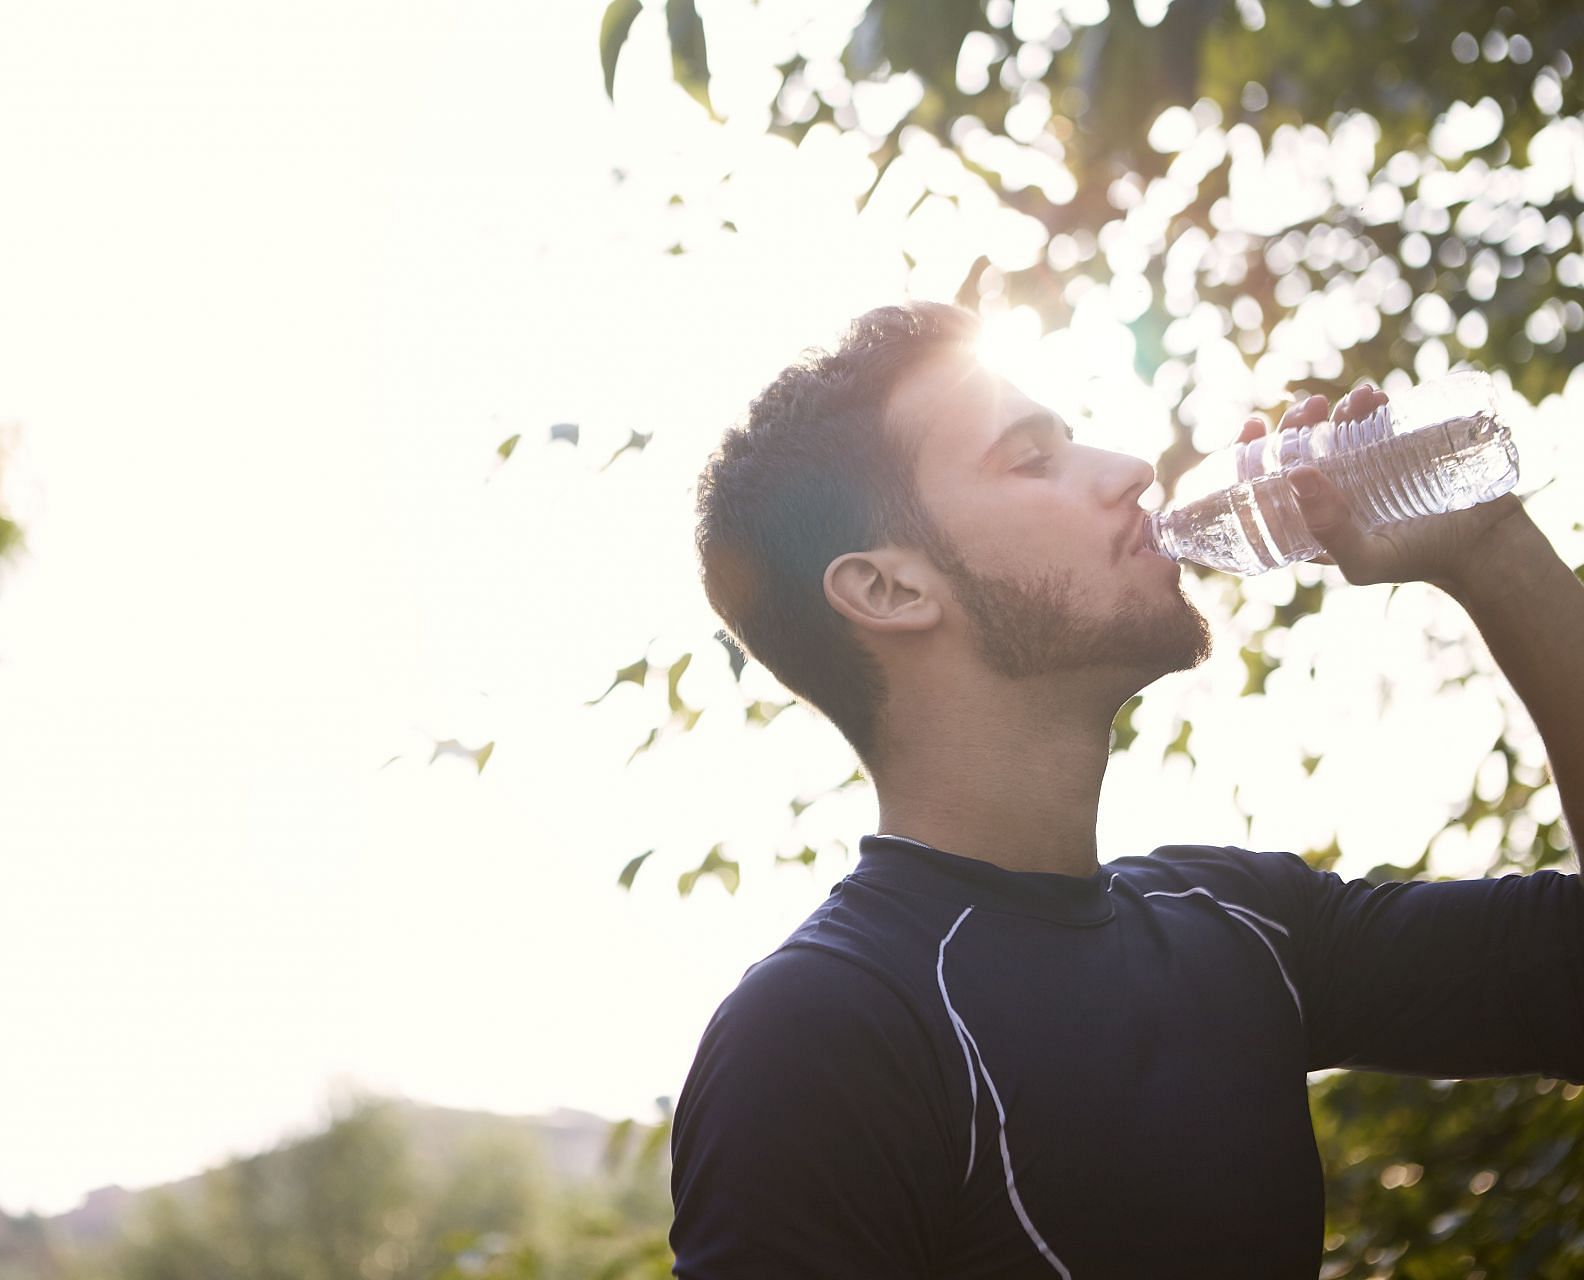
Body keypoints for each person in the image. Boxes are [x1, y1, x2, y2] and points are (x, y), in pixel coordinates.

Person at [671, 300, 1583, 1278]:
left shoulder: (1239, 921)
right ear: (890, 590)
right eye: (1032, 459)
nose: (1132, 470)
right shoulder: (823, 1031)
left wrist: (1491, 549)